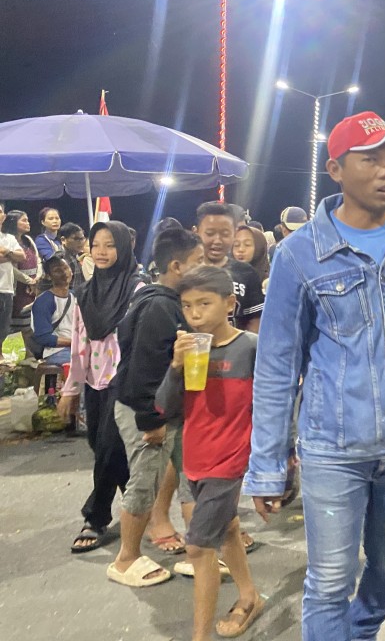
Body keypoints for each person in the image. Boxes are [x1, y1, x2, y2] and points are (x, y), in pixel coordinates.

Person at [245, 110, 385, 640]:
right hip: (335, 450)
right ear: (335, 170)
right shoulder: (298, 254)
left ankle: (361, 632)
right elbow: (277, 365)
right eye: (370, 160)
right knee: (330, 581)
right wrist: (267, 465)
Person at [157, 266, 265, 639]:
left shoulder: (251, 347)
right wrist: (175, 367)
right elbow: (165, 407)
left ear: (230, 303)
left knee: (198, 549)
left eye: (204, 303)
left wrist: (279, 458)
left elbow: (276, 402)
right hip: (193, 457)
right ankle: (249, 597)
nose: (195, 314)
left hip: (229, 459)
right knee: (228, 528)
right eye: (187, 306)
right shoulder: (187, 347)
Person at [106, 228, 204, 588]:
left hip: (170, 409)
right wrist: (151, 420)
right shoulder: (158, 306)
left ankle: (199, 552)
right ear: (176, 266)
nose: (205, 267)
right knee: (144, 483)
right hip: (146, 411)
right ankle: (126, 559)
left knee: (192, 479)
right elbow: (144, 370)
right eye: (198, 261)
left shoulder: (172, 302)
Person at [57, 222, 140, 553]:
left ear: (124, 247)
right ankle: (139, 503)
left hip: (124, 381)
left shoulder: (137, 289)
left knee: (108, 446)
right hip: (94, 381)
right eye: (96, 244)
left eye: (110, 244)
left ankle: (95, 517)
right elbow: (79, 344)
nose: (102, 251)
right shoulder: (84, 293)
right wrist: (71, 389)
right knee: (100, 444)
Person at [193, 202, 264, 333]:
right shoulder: (187, 272)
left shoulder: (246, 272)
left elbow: (255, 321)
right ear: (196, 232)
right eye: (210, 233)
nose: (217, 240)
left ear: (234, 234)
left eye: (225, 234)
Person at [30, 256, 76, 366]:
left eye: (65, 268)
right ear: (48, 276)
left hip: (79, 346)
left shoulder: (76, 296)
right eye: (57, 271)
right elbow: (43, 337)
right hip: (56, 351)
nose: (64, 273)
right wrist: (74, 342)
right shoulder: (44, 301)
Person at [2, 210, 41, 337]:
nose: (28, 223)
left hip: (32, 286)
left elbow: (37, 259)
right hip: (17, 286)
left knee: (29, 324)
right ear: (13, 222)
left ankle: (29, 347)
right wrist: (29, 280)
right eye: (24, 220)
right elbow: (11, 266)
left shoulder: (27, 240)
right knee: (14, 322)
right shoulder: (8, 239)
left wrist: (37, 278)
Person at [0, 204, 26, 346]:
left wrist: (6, 252)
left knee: (3, 326)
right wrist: (11, 257)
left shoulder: (9, 238)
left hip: (6, 288)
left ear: (4, 217)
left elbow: (21, 256)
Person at [57, 222, 88, 291]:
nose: (80, 242)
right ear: (63, 240)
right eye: (76, 239)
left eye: (82, 238)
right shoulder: (59, 259)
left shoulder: (76, 254)